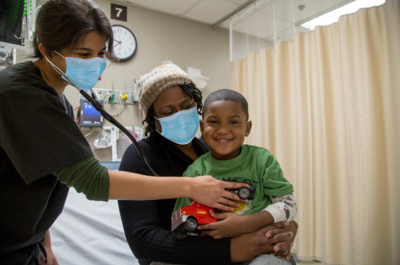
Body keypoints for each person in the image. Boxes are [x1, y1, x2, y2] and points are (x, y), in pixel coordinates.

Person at [0, 1, 247, 264]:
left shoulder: (56, 100)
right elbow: (93, 182)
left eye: (100, 53)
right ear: (46, 51)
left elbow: (45, 177)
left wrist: (44, 243)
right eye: (83, 54)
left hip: (28, 245)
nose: (96, 64)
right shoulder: (19, 94)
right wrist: (192, 187)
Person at [118, 64, 298, 265]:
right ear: (153, 118)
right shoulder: (140, 156)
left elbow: (279, 202)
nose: (180, 114)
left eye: (187, 106)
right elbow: (142, 241)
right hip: (179, 255)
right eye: (168, 111)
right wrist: (232, 249)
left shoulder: (215, 149)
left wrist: (285, 228)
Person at [171, 89, 297, 264]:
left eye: (233, 122)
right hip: (218, 253)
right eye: (214, 122)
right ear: (201, 127)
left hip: (264, 253)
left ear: (248, 128)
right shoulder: (194, 173)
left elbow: (289, 205)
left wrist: (247, 224)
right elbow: (182, 219)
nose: (223, 130)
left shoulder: (262, 160)